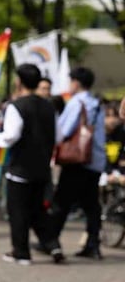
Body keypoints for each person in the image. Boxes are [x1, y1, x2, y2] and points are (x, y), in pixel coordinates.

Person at [0, 64, 62, 265]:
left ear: (18, 81)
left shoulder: (16, 106)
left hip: (20, 169)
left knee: (18, 210)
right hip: (42, 168)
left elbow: (11, 136)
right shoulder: (50, 106)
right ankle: (53, 244)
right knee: (38, 209)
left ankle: (21, 252)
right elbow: (60, 136)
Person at [44, 67, 107, 260]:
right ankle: (93, 245)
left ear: (76, 83)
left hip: (77, 160)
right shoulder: (97, 103)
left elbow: (64, 130)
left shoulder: (76, 102)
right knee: (91, 205)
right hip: (95, 160)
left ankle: (51, 241)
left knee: (62, 201)